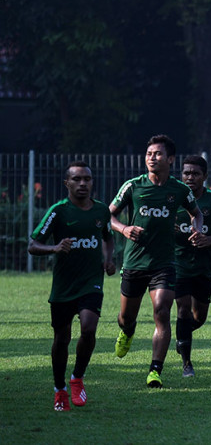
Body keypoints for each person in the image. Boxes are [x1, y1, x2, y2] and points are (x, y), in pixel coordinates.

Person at [109, 134, 203, 388]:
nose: (152, 158)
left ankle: (155, 370)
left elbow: (197, 213)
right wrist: (124, 229)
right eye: (149, 153)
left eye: (158, 154)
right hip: (134, 264)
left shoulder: (180, 190)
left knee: (162, 311)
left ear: (170, 159)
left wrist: (198, 229)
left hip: (164, 264)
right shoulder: (132, 186)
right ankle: (127, 332)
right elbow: (110, 216)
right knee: (126, 317)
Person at [29, 161, 116, 410]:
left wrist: (108, 260)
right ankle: (59, 389)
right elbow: (33, 244)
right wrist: (55, 248)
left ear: (92, 182)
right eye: (76, 179)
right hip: (64, 287)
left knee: (88, 329)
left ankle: (77, 377)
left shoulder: (101, 211)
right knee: (61, 339)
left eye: (87, 179)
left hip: (91, 284)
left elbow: (108, 239)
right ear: (67, 183)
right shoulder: (58, 211)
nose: (82, 184)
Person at [173, 155, 211, 378]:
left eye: (195, 173)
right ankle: (187, 363)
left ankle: (182, 338)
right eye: (186, 173)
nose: (190, 177)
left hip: (204, 266)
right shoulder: (173, 197)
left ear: (205, 176)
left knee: (198, 318)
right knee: (183, 308)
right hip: (177, 264)